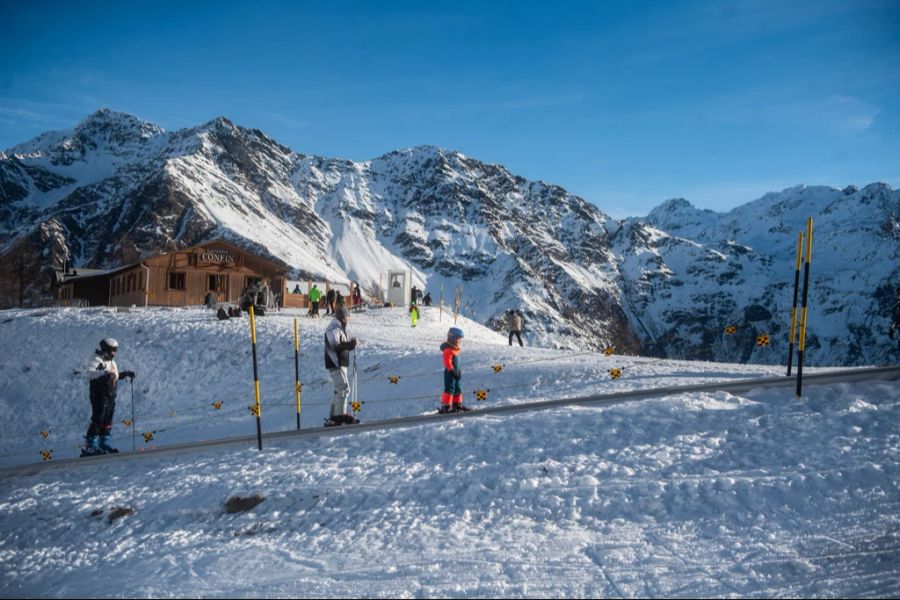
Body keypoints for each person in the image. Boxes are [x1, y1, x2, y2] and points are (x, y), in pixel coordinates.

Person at [83, 338, 136, 456]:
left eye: (115, 350)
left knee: (107, 420)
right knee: (98, 418)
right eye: (113, 350)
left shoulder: (112, 361)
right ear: (106, 349)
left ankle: (103, 443)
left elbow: (114, 376)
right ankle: (90, 446)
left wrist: (125, 374)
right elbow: (89, 373)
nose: (115, 353)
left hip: (111, 394)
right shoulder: (96, 359)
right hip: (99, 394)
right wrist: (104, 373)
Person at [324, 306, 359, 426]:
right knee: (343, 388)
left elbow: (343, 345)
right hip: (335, 363)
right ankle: (340, 416)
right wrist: (351, 344)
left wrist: (351, 344)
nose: (349, 318)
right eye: (347, 316)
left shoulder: (339, 328)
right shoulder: (333, 328)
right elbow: (336, 346)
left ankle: (335, 416)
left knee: (339, 389)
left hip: (340, 363)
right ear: (343, 317)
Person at [439, 327, 470, 414]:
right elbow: (447, 362)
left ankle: (457, 404)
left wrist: (458, 371)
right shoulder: (448, 349)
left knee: (457, 388)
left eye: (460, 340)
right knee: (450, 388)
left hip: (455, 372)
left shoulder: (454, 349)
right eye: (457, 339)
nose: (459, 342)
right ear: (451, 338)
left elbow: (456, 363)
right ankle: (446, 405)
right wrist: (453, 372)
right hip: (450, 372)